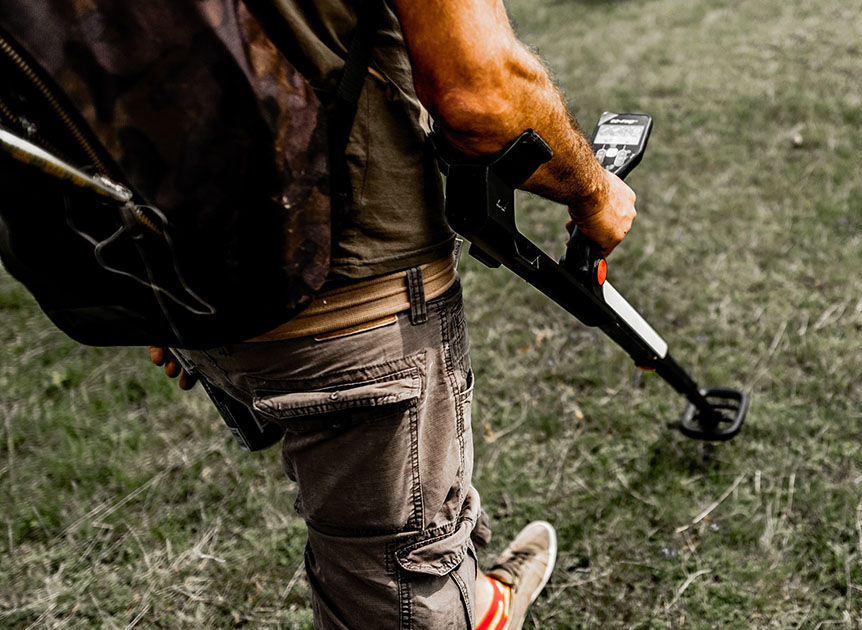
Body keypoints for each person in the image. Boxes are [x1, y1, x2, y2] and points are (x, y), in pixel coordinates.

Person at [148, 0, 638, 627]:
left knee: (399, 531)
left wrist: (140, 289)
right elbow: (479, 94)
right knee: (392, 590)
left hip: (174, 281)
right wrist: (595, 190)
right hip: (350, 286)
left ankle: (480, 601)